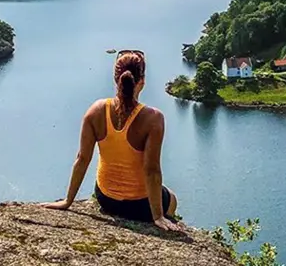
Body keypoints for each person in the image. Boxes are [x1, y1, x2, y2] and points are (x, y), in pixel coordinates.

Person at [41, 50, 181, 232]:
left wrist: (68, 201)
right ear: (142, 81)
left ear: (116, 79)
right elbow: (151, 170)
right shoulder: (153, 118)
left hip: (106, 199)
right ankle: (162, 217)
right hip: (141, 206)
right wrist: (157, 216)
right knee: (172, 199)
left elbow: (82, 159)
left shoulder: (96, 110)